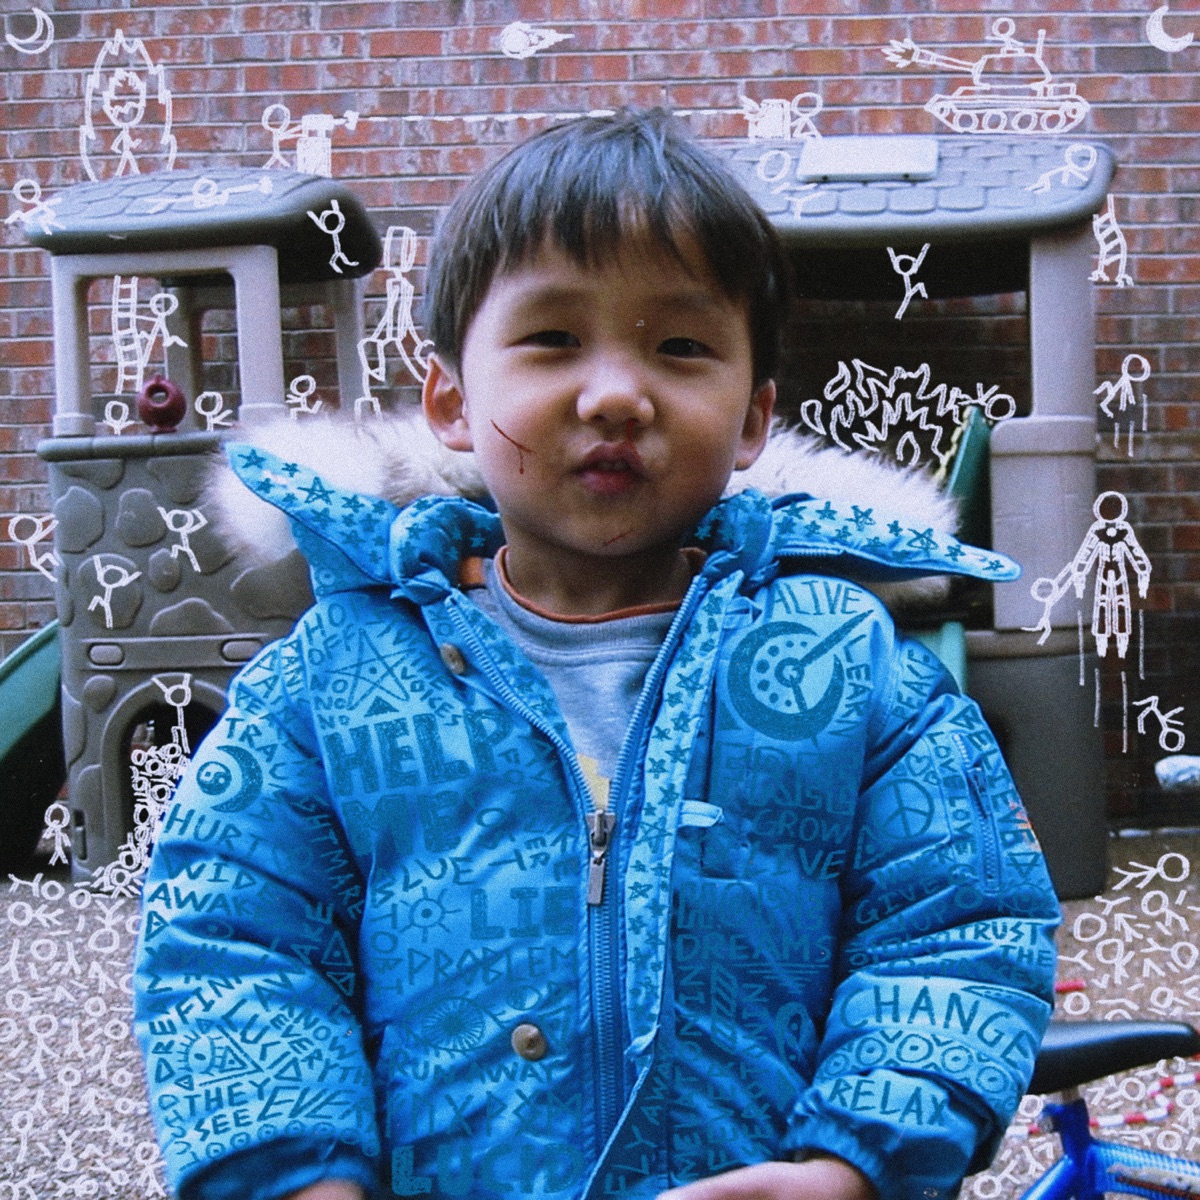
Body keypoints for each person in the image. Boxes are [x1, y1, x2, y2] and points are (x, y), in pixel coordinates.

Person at [133, 108, 1059, 1200]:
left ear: (756, 417)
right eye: (553, 339)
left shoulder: (851, 672)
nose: (616, 392)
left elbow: (958, 928)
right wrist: (296, 1175)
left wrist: (850, 1167)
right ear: (450, 403)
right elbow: (236, 944)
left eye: (680, 346)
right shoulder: (330, 682)